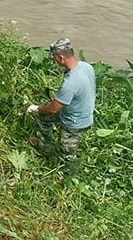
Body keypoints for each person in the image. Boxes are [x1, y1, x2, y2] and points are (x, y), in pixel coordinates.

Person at [27, 38, 96, 175]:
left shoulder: (70, 83)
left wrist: (37, 108)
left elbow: (53, 108)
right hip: (81, 111)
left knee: (67, 154)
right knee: (43, 118)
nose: (54, 61)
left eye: (54, 58)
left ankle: (66, 179)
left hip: (75, 123)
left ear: (61, 57)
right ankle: (45, 147)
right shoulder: (86, 66)